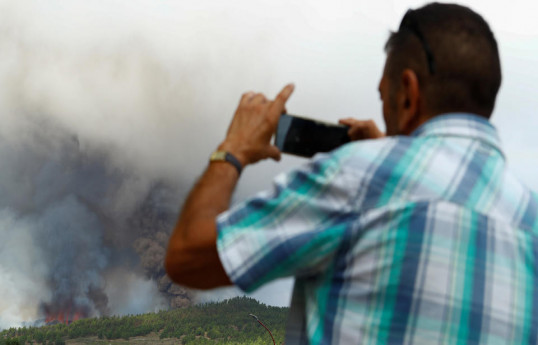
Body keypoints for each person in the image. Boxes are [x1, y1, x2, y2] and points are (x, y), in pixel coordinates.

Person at [166, 3, 538, 344]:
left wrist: (233, 149)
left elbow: (188, 258)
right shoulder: (529, 219)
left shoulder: (360, 176)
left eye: (383, 97)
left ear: (407, 93)